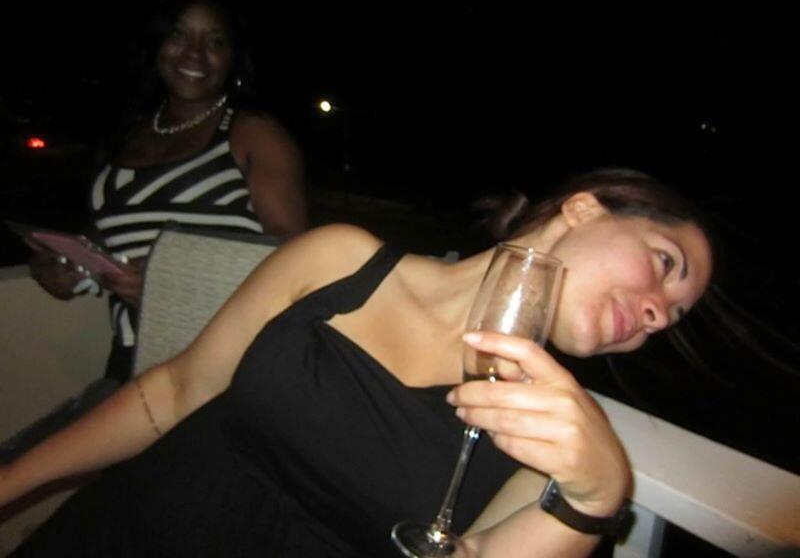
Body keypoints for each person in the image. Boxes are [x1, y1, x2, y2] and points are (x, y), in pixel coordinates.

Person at [1, 169, 713, 556]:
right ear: (584, 209)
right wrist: (11, 482)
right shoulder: (341, 260)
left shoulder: (548, 429)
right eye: (664, 264)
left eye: (674, 315)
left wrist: (595, 498)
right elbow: (172, 393)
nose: (658, 314)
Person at [26, 0, 307, 383]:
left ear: (233, 58)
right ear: (157, 44)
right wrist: (66, 265)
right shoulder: (127, 135)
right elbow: (117, 232)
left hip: (224, 353)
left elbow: (294, 249)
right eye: (178, 35)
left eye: (215, 42)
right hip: (133, 352)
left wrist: (174, 285)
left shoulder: (251, 132)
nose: (195, 54)